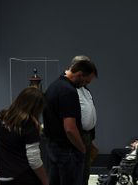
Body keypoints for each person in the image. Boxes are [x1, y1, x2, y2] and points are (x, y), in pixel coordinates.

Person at [42, 59, 97, 185]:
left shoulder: (54, 86)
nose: (85, 84)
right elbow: (70, 128)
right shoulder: (69, 91)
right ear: (79, 74)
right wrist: (82, 148)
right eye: (86, 81)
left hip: (54, 146)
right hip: (67, 150)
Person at [0, 87, 48, 185]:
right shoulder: (29, 125)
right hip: (21, 177)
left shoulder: (1, 116)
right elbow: (34, 160)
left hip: (2, 175)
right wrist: (45, 180)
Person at [70, 55, 98, 185]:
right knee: (77, 171)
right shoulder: (70, 89)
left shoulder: (85, 89)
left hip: (87, 136)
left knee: (85, 171)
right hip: (78, 136)